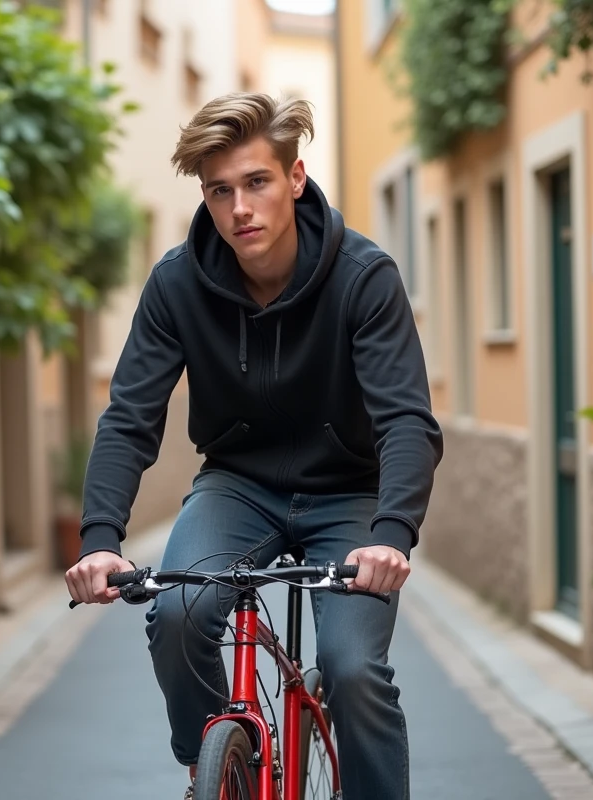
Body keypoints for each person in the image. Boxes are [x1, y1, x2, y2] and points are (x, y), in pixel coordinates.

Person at [65, 92, 443, 800]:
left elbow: (406, 422)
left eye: (257, 182)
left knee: (353, 667)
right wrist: (99, 539)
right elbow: (129, 416)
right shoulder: (178, 284)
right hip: (238, 485)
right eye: (220, 191)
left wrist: (391, 534)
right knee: (176, 614)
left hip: (348, 493)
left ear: (295, 178)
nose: (240, 207)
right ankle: (216, 765)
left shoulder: (364, 278)